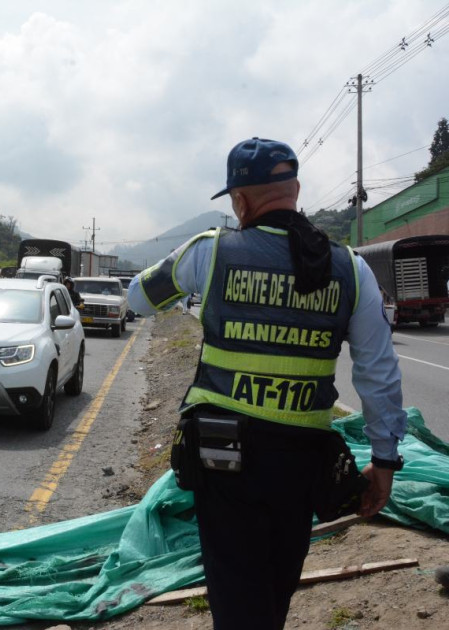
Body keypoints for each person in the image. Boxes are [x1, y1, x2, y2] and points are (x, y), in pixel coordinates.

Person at [127, 137, 407, 629]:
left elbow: (138, 300)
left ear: (239, 201)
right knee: (275, 592)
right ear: (295, 190)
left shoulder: (209, 253)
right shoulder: (351, 268)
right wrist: (384, 461)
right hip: (302, 463)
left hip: (224, 459)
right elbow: (379, 374)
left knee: (237, 598)